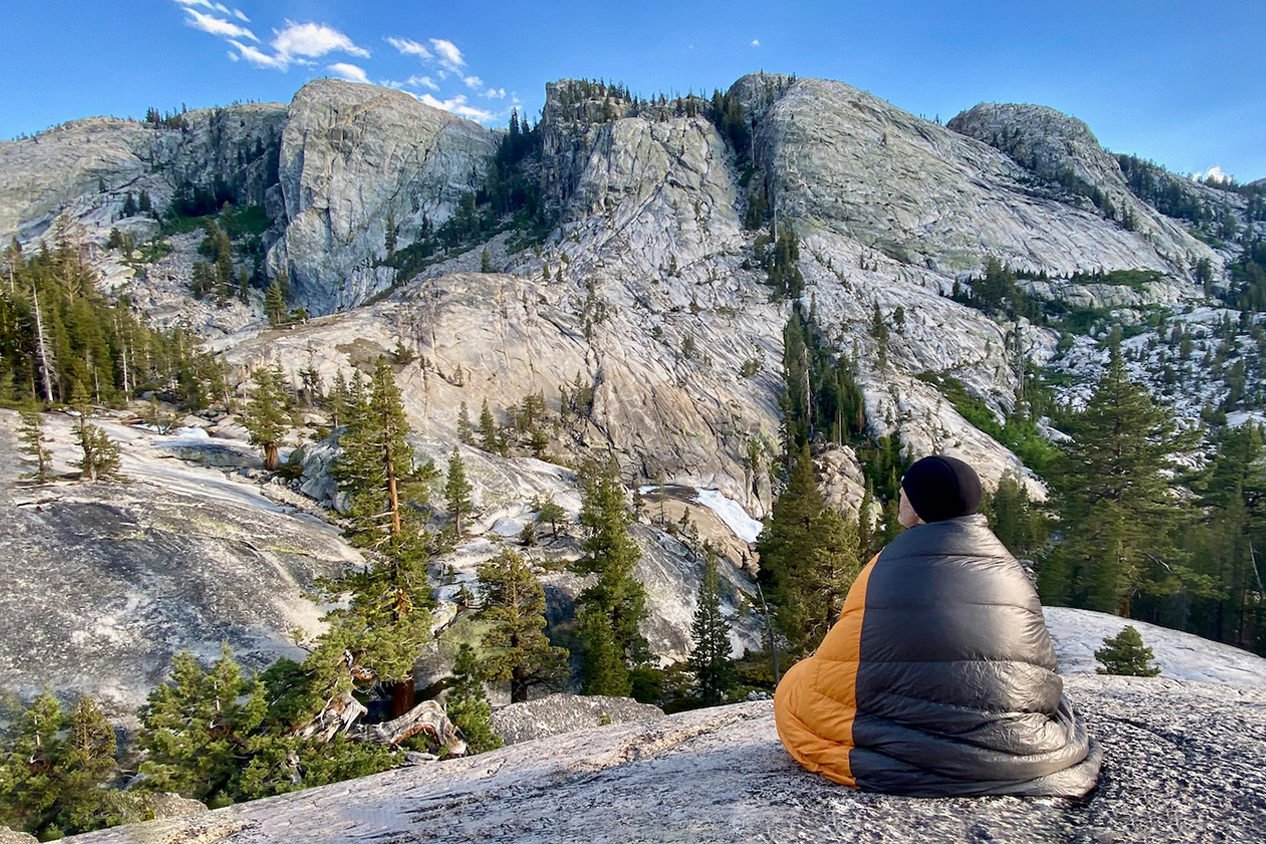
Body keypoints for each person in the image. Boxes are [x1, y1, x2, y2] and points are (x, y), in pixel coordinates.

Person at [773, 454, 1102, 796]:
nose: (899, 493)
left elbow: (842, 665)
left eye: (905, 489)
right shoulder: (1010, 569)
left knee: (795, 687)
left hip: (910, 747)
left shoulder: (885, 567)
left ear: (918, 506)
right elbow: (1042, 671)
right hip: (1025, 743)